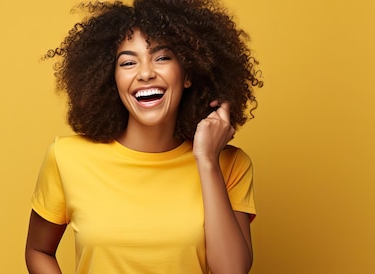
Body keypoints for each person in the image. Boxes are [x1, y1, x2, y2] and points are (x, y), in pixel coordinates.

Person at [25, 0, 263, 273]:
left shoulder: (230, 164)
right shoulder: (66, 157)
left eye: (162, 58)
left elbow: (232, 272)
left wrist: (207, 160)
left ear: (187, 73)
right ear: (111, 78)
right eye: (128, 62)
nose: (146, 73)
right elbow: (38, 250)